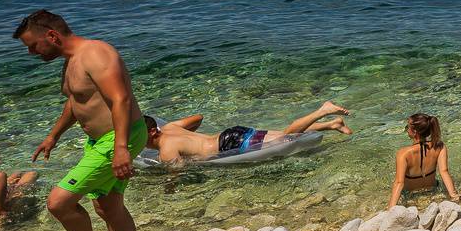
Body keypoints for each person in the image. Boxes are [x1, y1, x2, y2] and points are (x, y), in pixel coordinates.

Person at [16, 9, 146, 231]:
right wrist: (53, 136)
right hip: (100, 141)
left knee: (58, 202)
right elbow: (76, 101)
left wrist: (121, 148)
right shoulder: (72, 61)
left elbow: (120, 99)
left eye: (33, 46)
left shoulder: (96, 54)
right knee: (107, 206)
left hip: (117, 138)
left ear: (51, 35)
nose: (31, 53)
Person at [144, 101, 351, 163]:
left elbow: (178, 174)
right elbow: (198, 118)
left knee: (286, 136)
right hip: (230, 133)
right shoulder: (170, 127)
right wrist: (191, 139)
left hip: (230, 145)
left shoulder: (165, 149)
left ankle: (323, 110)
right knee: (282, 132)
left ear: (153, 132)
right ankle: (332, 124)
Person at [392, 112, 459, 208]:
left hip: (410, 195)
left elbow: (399, 182)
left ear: (414, 132)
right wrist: (453, 195)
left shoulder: (403, 153)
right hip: (433, 190)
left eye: (407, 126)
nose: (406, 130)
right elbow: (444, 172)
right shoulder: (439, 146)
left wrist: (390, 209)